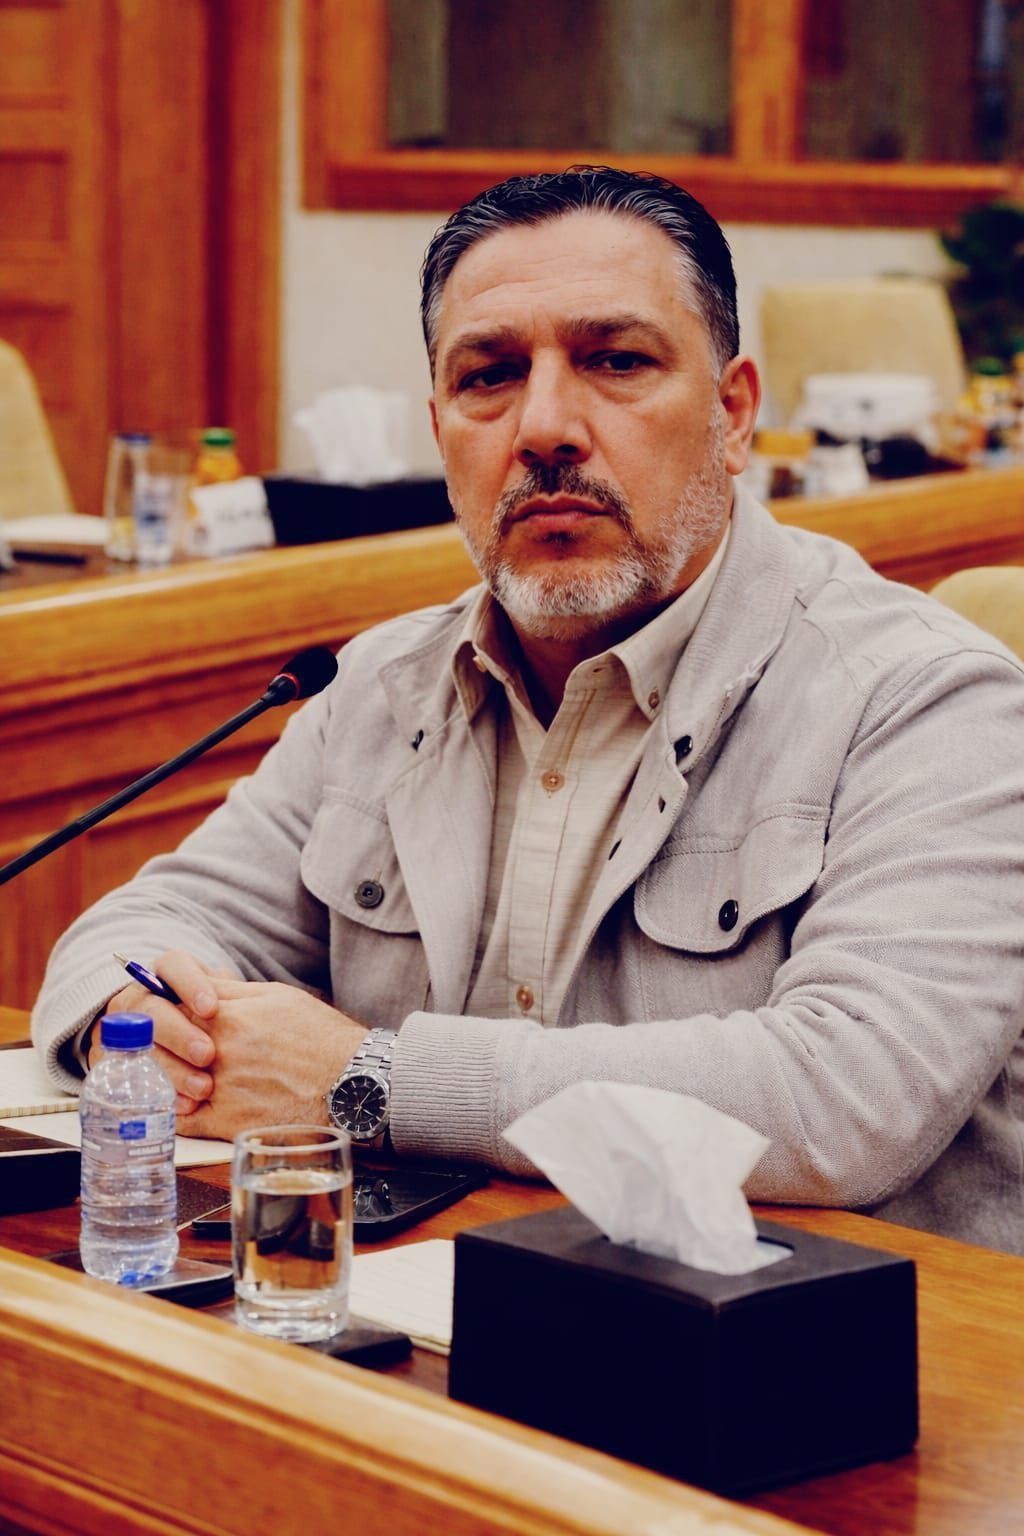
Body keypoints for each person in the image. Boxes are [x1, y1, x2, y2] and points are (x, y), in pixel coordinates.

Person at [33, 167, 1024, 1254]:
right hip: (439, 1302)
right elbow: (133, 934)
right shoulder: (378, 683)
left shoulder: (928, 698)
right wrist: (149, 1025)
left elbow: (847, 1097)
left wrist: (369, 1080)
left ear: (734, 414)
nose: (545, 426)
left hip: (816, 1336)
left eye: (616, 361)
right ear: (441, 430)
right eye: (491, 376)